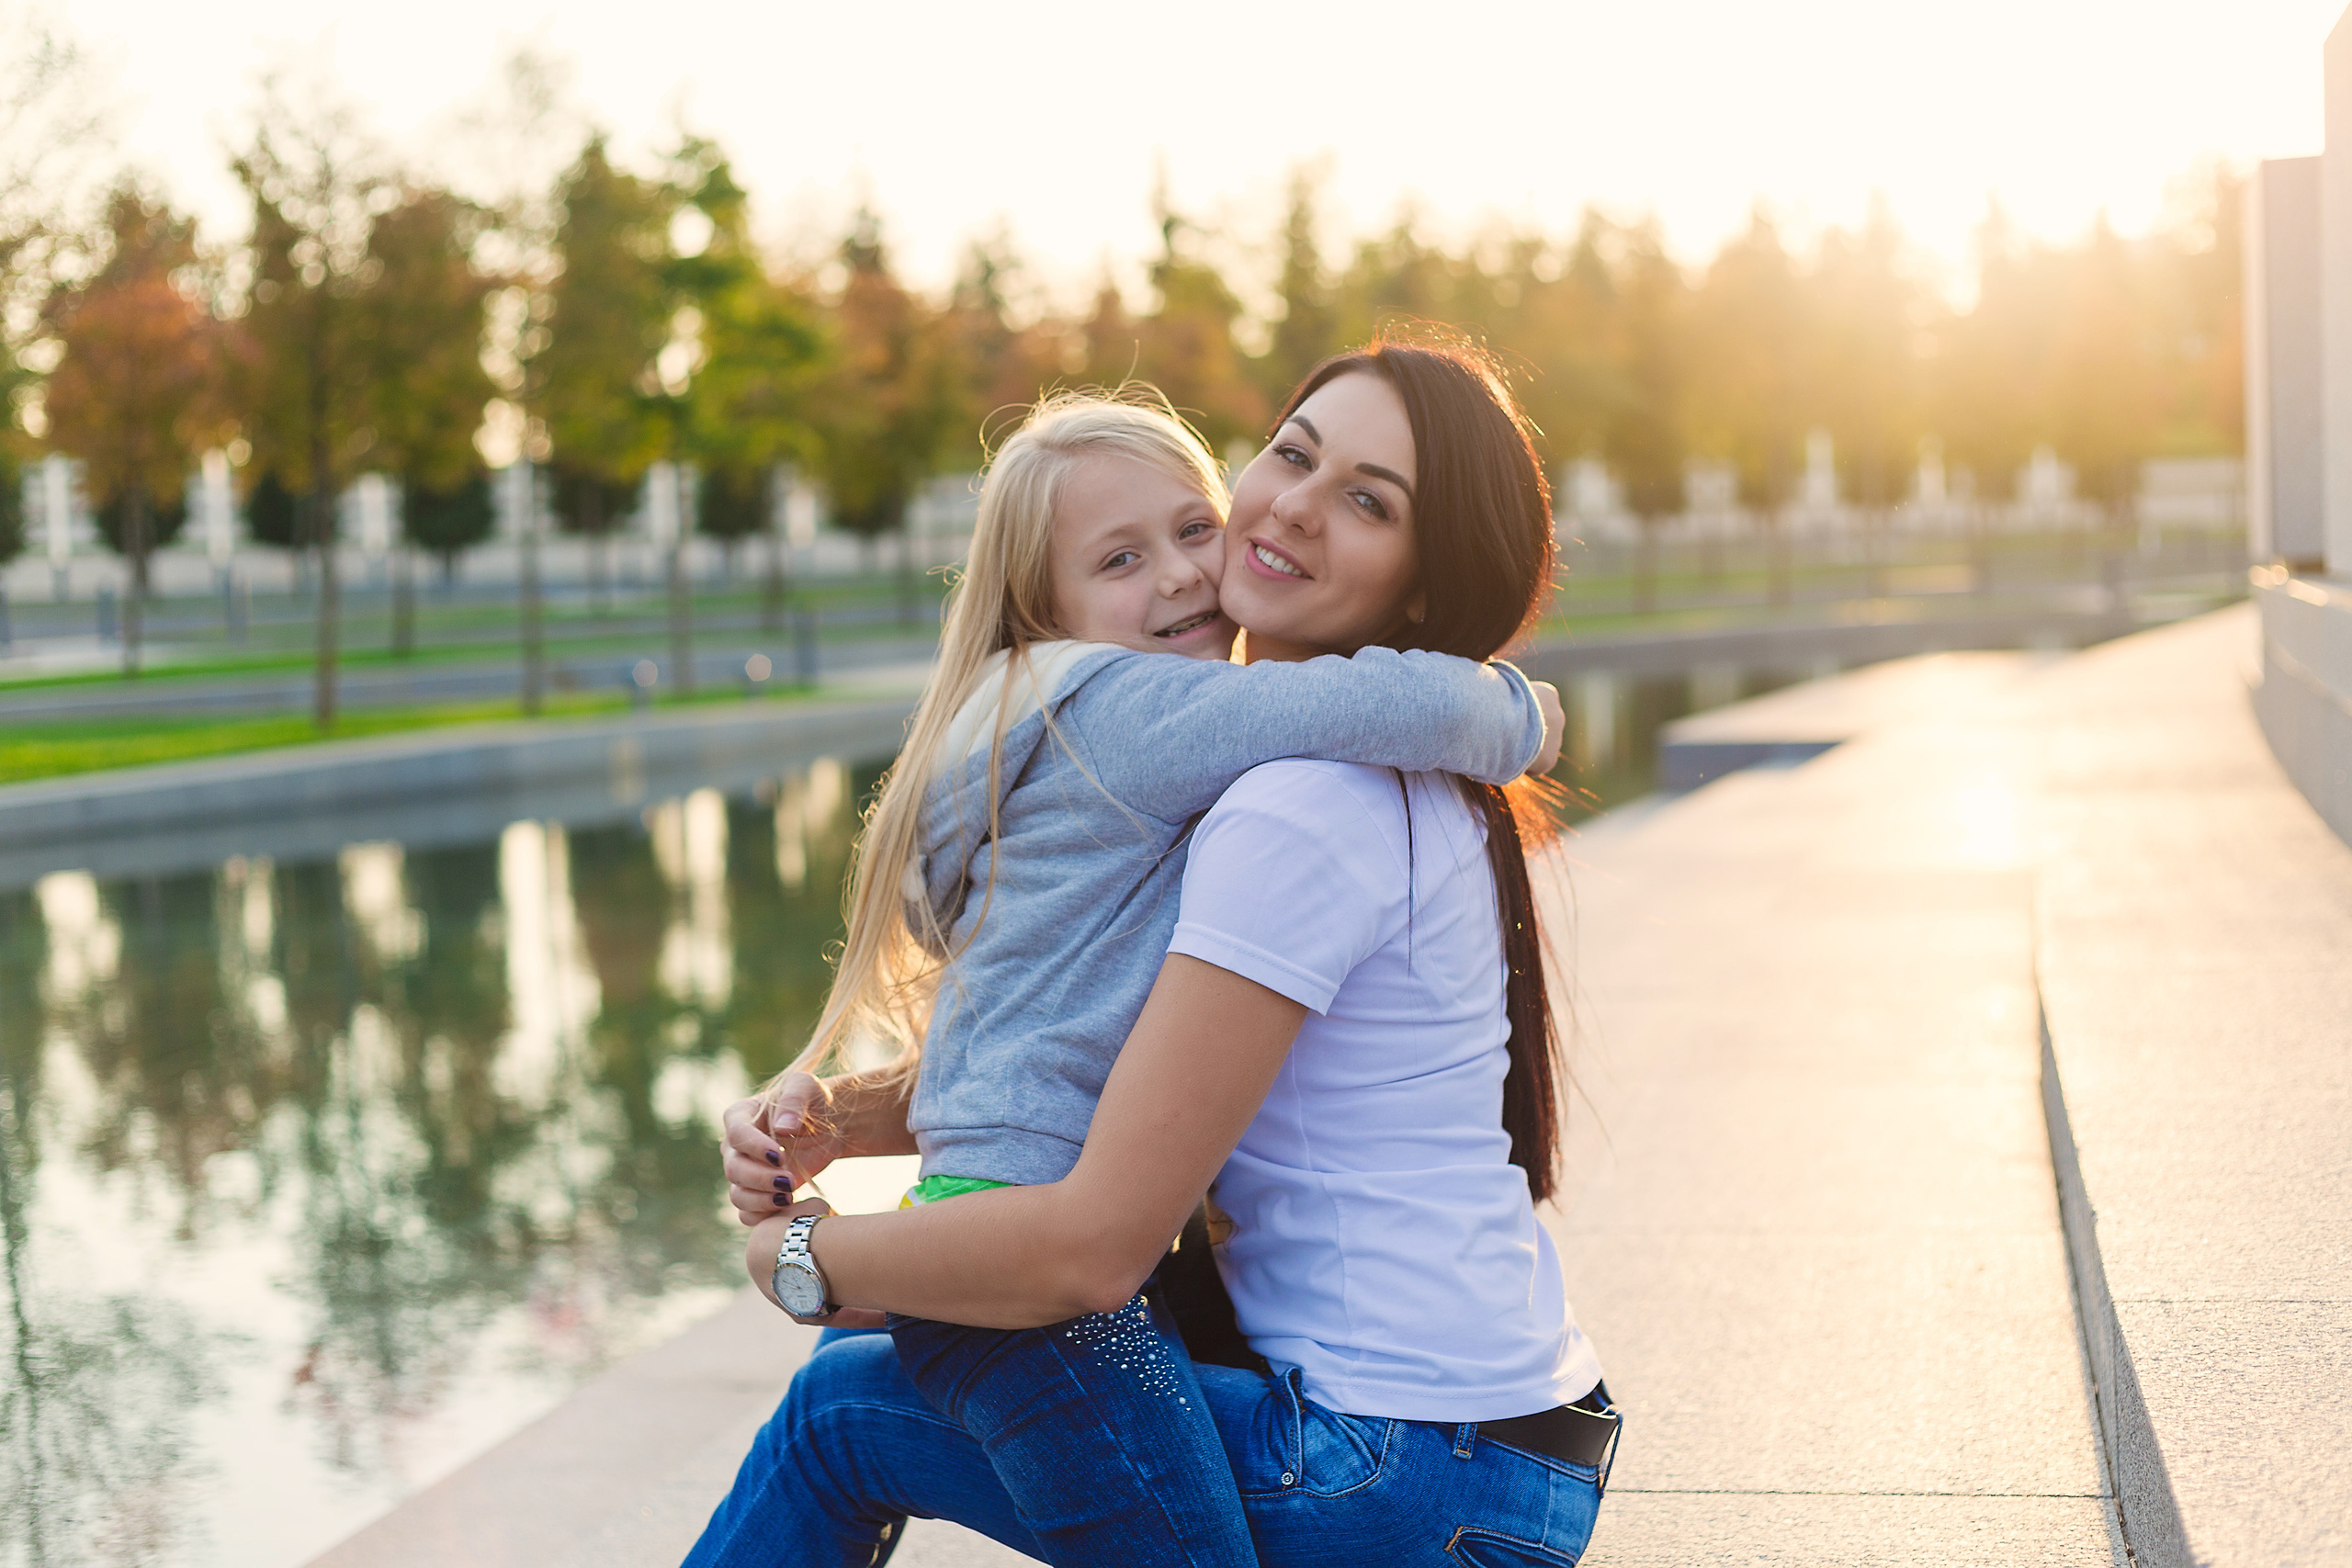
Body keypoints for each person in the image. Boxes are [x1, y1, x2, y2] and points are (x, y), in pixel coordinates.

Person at [698, 337, 1614, 1567]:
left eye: (1367, 500)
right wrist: (844, 1122)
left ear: (1418, 584)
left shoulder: (1299, 806)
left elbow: (1090, 1247)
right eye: (1293, 453)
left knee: (839, 1407)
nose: (1292, 504)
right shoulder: (1314, 783)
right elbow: (1105, 1057)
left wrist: (799, 1252)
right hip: (1492, 1446)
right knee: (880, 1356)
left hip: (1404, 1467)